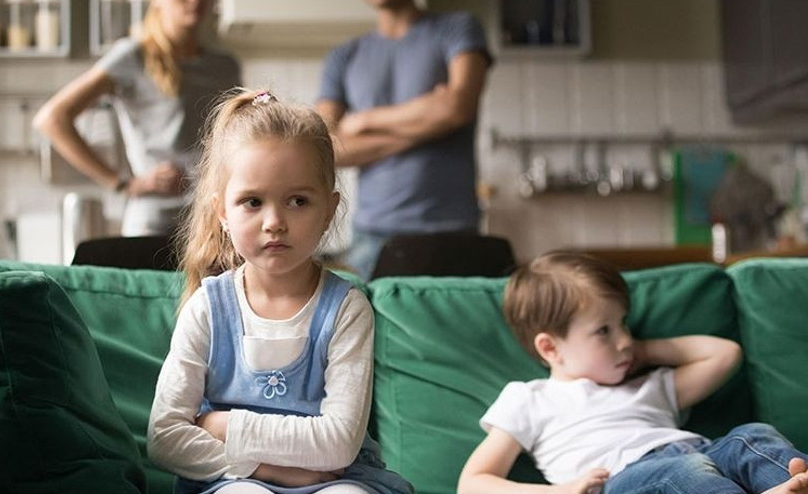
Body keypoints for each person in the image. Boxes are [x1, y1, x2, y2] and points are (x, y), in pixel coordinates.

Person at [147, 88, 414, 494]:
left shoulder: (346, 309)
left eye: (297, 201)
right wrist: (264, 470)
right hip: (233, 479)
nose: (274, 222)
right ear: (223, 212)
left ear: (329, 209)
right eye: (252, 202)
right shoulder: (206, 308)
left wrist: (225, 424)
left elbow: (339, 443)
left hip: (336, 480)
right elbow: (165, 438)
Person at [458, 251, 808, 494]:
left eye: (623, 324)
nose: (624, 340)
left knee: (750, 436)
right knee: (684, 472)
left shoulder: (649, 386)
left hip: (703, 453)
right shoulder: (530, 398)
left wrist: (646, 349)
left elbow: (724, 354)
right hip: (625, 480)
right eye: (604, 331)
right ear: (550, 348)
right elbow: (474, 482)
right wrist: (561, 490)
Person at [316, 0, 492, 280]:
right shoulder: (344, 55)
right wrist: (429, 123)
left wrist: (365, 120)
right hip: (372, 237)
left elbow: (458, 107)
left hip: (451, 231)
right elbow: (323, 148)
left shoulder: (458, 28)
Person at [33, 0, 240, 237]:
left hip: (213, 222)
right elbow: (52, 119)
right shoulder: (132, 57)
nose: (195, 2)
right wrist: (124, 184)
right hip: (155, 223)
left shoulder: (226, 66)